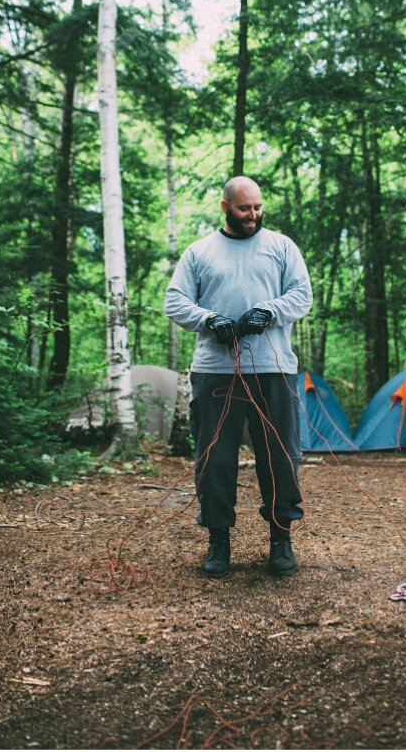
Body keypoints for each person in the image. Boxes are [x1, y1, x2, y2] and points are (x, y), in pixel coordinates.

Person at [165, 176, 313, 579]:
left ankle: (281, 541)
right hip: (216, 372)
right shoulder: (200, 252)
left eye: (258, 207)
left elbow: (302, 295)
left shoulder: (282, 247)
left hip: (274, 368)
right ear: (225, 206)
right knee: (215, 459)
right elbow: (174, 300)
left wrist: (269, 311)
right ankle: (218, 541)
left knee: (280, 457)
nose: (254, 215)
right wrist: (209, 319)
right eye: (246, 208)